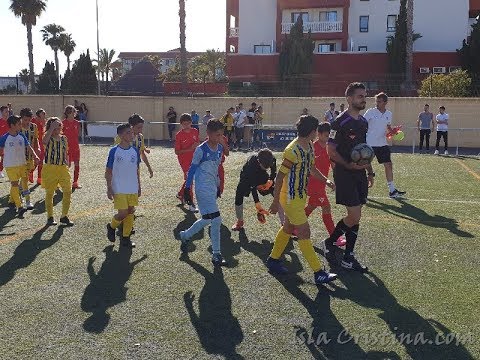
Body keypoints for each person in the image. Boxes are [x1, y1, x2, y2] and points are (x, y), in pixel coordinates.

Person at [267, 115, 338, 285]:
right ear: (313, 131)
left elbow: (311, 168)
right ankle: (318, 272)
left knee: (288, 228)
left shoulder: (309, 147)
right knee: (304, 232)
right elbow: (279, 177)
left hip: (300, 196)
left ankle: (273, 260)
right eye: (316, 131)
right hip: (290, 199)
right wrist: (276, 202)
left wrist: (326, 181)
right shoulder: (292, 150)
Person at [325, 82, 375, 273]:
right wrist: (347, 164)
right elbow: (331, 149)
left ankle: (345, 254)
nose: (363, 99)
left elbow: (364, 150)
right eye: (360, 96)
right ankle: (335, 246)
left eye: (364, 96)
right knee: (354, 215)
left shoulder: (363, 122)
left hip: (360, 174)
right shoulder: (338, 122)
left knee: (356, 216)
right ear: (349, 99)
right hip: (344, 173)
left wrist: (369, 171)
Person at [179, 119, 228, 266]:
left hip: (212, 188)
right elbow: (192, 169)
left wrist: (218, 184)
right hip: (202, 189)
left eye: (221, 135)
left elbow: (216, 169)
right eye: (217, 135)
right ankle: (216, 254)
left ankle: (185, 235)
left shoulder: (219, 148)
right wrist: (187, 188)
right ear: (208, 134)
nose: (220, 138)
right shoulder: (201, 149)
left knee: (207, 219)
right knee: (217, 219)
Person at [305, 122, 346, 247]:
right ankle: (334, 236)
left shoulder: (329, 148)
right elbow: (309, 168)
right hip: (313, 185)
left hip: (321, 184)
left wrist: (339, 179)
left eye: (329, 136)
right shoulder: (312, 147)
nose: (328, 138)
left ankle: (294, 227)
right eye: (326, 135)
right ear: (319, 134)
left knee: (311, 206)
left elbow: (333, 165)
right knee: (326, 207)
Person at [106, 123, 141, 248]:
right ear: (120, 135)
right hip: (119, 187)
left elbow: (136, 169)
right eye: (128, 132)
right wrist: (109, 187)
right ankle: (111, 226)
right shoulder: (114, 151)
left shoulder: (135, 151)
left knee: (131, 211)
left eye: (131, 132)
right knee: (123, 213)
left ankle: (126, 237)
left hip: (132, 187)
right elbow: (108, 171)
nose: (131, 135)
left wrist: (139, 186)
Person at [364, 92, 406, 199]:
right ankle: (363, 186)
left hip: (382, 144)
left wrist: (394, 131)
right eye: (376, 101)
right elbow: (362, 123)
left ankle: (392, 190)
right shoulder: (370, 112)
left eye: (379, 101)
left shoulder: (389, 114)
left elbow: (388, 128)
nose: (377, 103)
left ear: (385, 102)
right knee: (363, 164)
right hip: (370, 143)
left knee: (388, 165)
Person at [0, 115, 39, 217]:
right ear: (12, 125)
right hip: (10, 166)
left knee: (24, 182)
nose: (21, 125)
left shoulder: (21, 135)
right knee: (14, 184)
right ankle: (20, 206)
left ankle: (26, 201)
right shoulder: (4, 138)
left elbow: (29, 146)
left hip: (22, 164)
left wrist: (35, 156)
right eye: (18, 124)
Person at [231, 148, 277, 231]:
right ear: (259, 161)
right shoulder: (251, 164)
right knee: (239, 195)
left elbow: (274, 171)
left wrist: (270, 180)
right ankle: (240, 221)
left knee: (274, 188)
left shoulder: (272, 159)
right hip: (246, 178)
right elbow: (253, 186)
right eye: (264, 167)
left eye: (268, 167)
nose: (266, 169)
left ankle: (283, 212)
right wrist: (258, 205)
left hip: (261, 175)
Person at [42, 117, 74, 226]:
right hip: (50, 168)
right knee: (50, 193)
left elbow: (66, 152)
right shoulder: (48, 137)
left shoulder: (64, 138)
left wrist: (67, 162)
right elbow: (44, 141)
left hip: (62, 168)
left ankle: (64, 216)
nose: (58, 128)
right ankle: (50, 217)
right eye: (55, 126)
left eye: (59, 125)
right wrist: (51, 128)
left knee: (68, 191)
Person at [115, 114, 154, 178]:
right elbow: (115, 153)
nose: (141, 130)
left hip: (135, 167)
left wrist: (149, 167)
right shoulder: (121, 137)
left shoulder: (140, 137)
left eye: (142, 127)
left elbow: (142, 153)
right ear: (131, 126)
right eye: (138, 127)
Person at [175, 113, 200, 212]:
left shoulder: (195, 131)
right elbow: (177, 152)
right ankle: (191, 204)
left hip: (194, 160)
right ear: (181, 124)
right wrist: (190, 149)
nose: (186, 125)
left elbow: (197, 143)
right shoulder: (179, 135)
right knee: (190, 181)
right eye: (184, 124)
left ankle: (181, 194)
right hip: (184, 161)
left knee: (190, 179)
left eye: (188, 123)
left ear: (191, 123)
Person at [19, 108, 39, 209]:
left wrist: (38, 148)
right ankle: (27, 200)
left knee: (24, 178)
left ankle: (18, 192)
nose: (27, 122)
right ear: (21, 118)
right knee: (24, 178)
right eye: (25, 120)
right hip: (19, 157)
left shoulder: (33, 127)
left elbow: (35, 139)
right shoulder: (17, 127)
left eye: (29, 120)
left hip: (30, 156)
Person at [62, 105, 82, 189]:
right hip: (66, 147)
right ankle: (64, 182)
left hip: (75, 147)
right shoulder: (63, 123)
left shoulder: (77, 123)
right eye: (73, 111)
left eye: (75, 111)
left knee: (77, 163)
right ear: (68, 113)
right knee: (67, 165)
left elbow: (79, 134)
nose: (75, 113)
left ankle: (75, 182)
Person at [32, 108, 47, 184]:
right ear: (38, 115)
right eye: (43, 114)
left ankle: (39, 178)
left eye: (44, 113)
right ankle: (30, 173)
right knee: (34, 160)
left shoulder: (43, 122)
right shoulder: (33, 121)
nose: (44, 115)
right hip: (34, 143)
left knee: (41, 161)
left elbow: (44, 132)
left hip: (41, 143)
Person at [0, 105, 10, 178]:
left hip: (6, 144)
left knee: (4, 158)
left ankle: (0, 171)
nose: (7, 113)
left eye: (8, 111)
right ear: (1, 112)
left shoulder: (10, 122)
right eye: (6, 111)